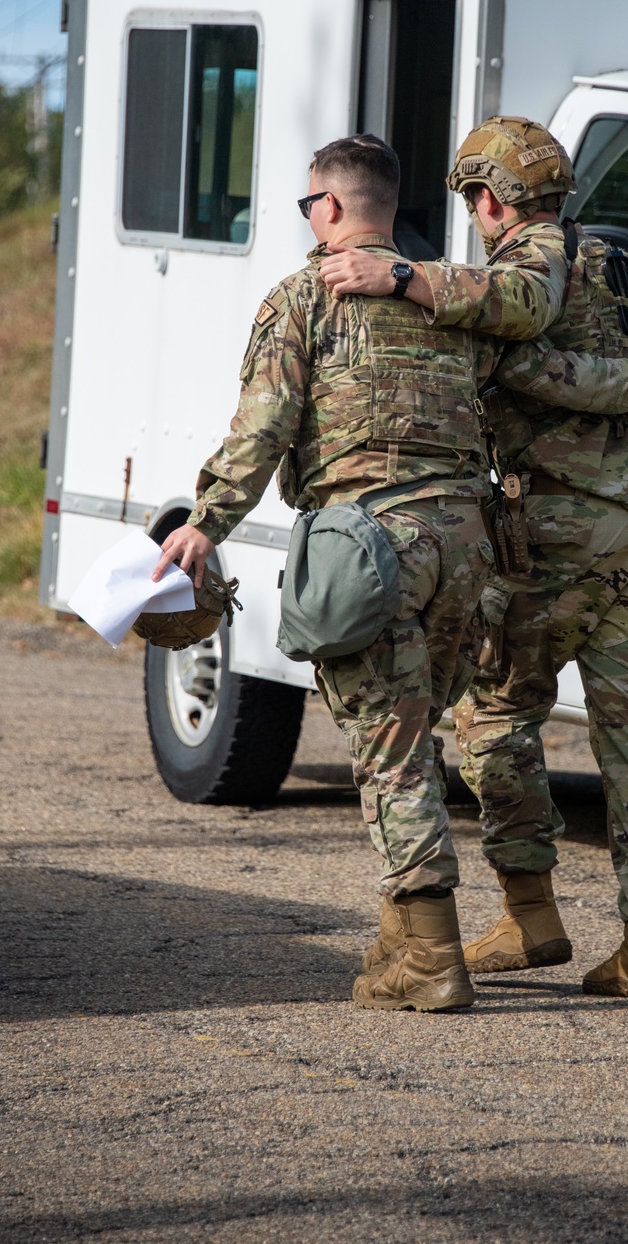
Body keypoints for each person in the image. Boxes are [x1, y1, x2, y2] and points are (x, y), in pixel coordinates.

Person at [153, 133, 570, 1014]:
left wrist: (205, 523)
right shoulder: (450, 295)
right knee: (418, 736)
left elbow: (262, 430)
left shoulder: (305, 295)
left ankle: (430, 957)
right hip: (465, 544)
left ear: (331, 209)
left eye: (309, 205)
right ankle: (398, 938)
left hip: (369, 545)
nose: (309, 220)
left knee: (390, 749)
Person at [321, 115, 628, 1002]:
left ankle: (531, 917)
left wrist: (407, 280)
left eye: (475, 205)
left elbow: (520, 344)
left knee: (495, 718)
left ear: (488, 200)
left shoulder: (516, 271)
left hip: (555, 545)